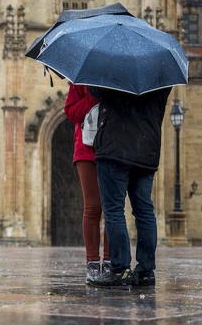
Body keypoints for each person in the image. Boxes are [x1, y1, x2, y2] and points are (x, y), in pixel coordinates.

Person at [88, 86, 171, 287]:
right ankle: (146, 271)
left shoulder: (113, 71)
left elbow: (95, 92)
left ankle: (120, 269)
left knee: (114, 210)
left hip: (115, 148)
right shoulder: (161, 76)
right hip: (146, 150)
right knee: (144, 210)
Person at [64, 84, 110, 281]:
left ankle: (109, 261)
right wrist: (94, 97)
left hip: (112, 147)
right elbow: (71, 112)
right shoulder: (80, 82)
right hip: (86, 148)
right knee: (92, 207)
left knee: (112, 209)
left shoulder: (117, 81)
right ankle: (92, 262)